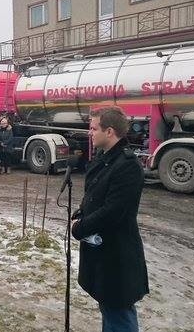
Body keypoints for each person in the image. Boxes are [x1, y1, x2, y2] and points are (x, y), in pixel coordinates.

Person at [71, 106, 148, 332]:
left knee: (119, 311)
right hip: (103, 252)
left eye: (94, 128)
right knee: (109, 308)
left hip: (118, 254)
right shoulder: (105, 159)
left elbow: (113, 211)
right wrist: (79, 214)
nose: (90, 132)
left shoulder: (127, 166)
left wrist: (80, 228)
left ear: (110, 131)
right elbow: (93, 196)